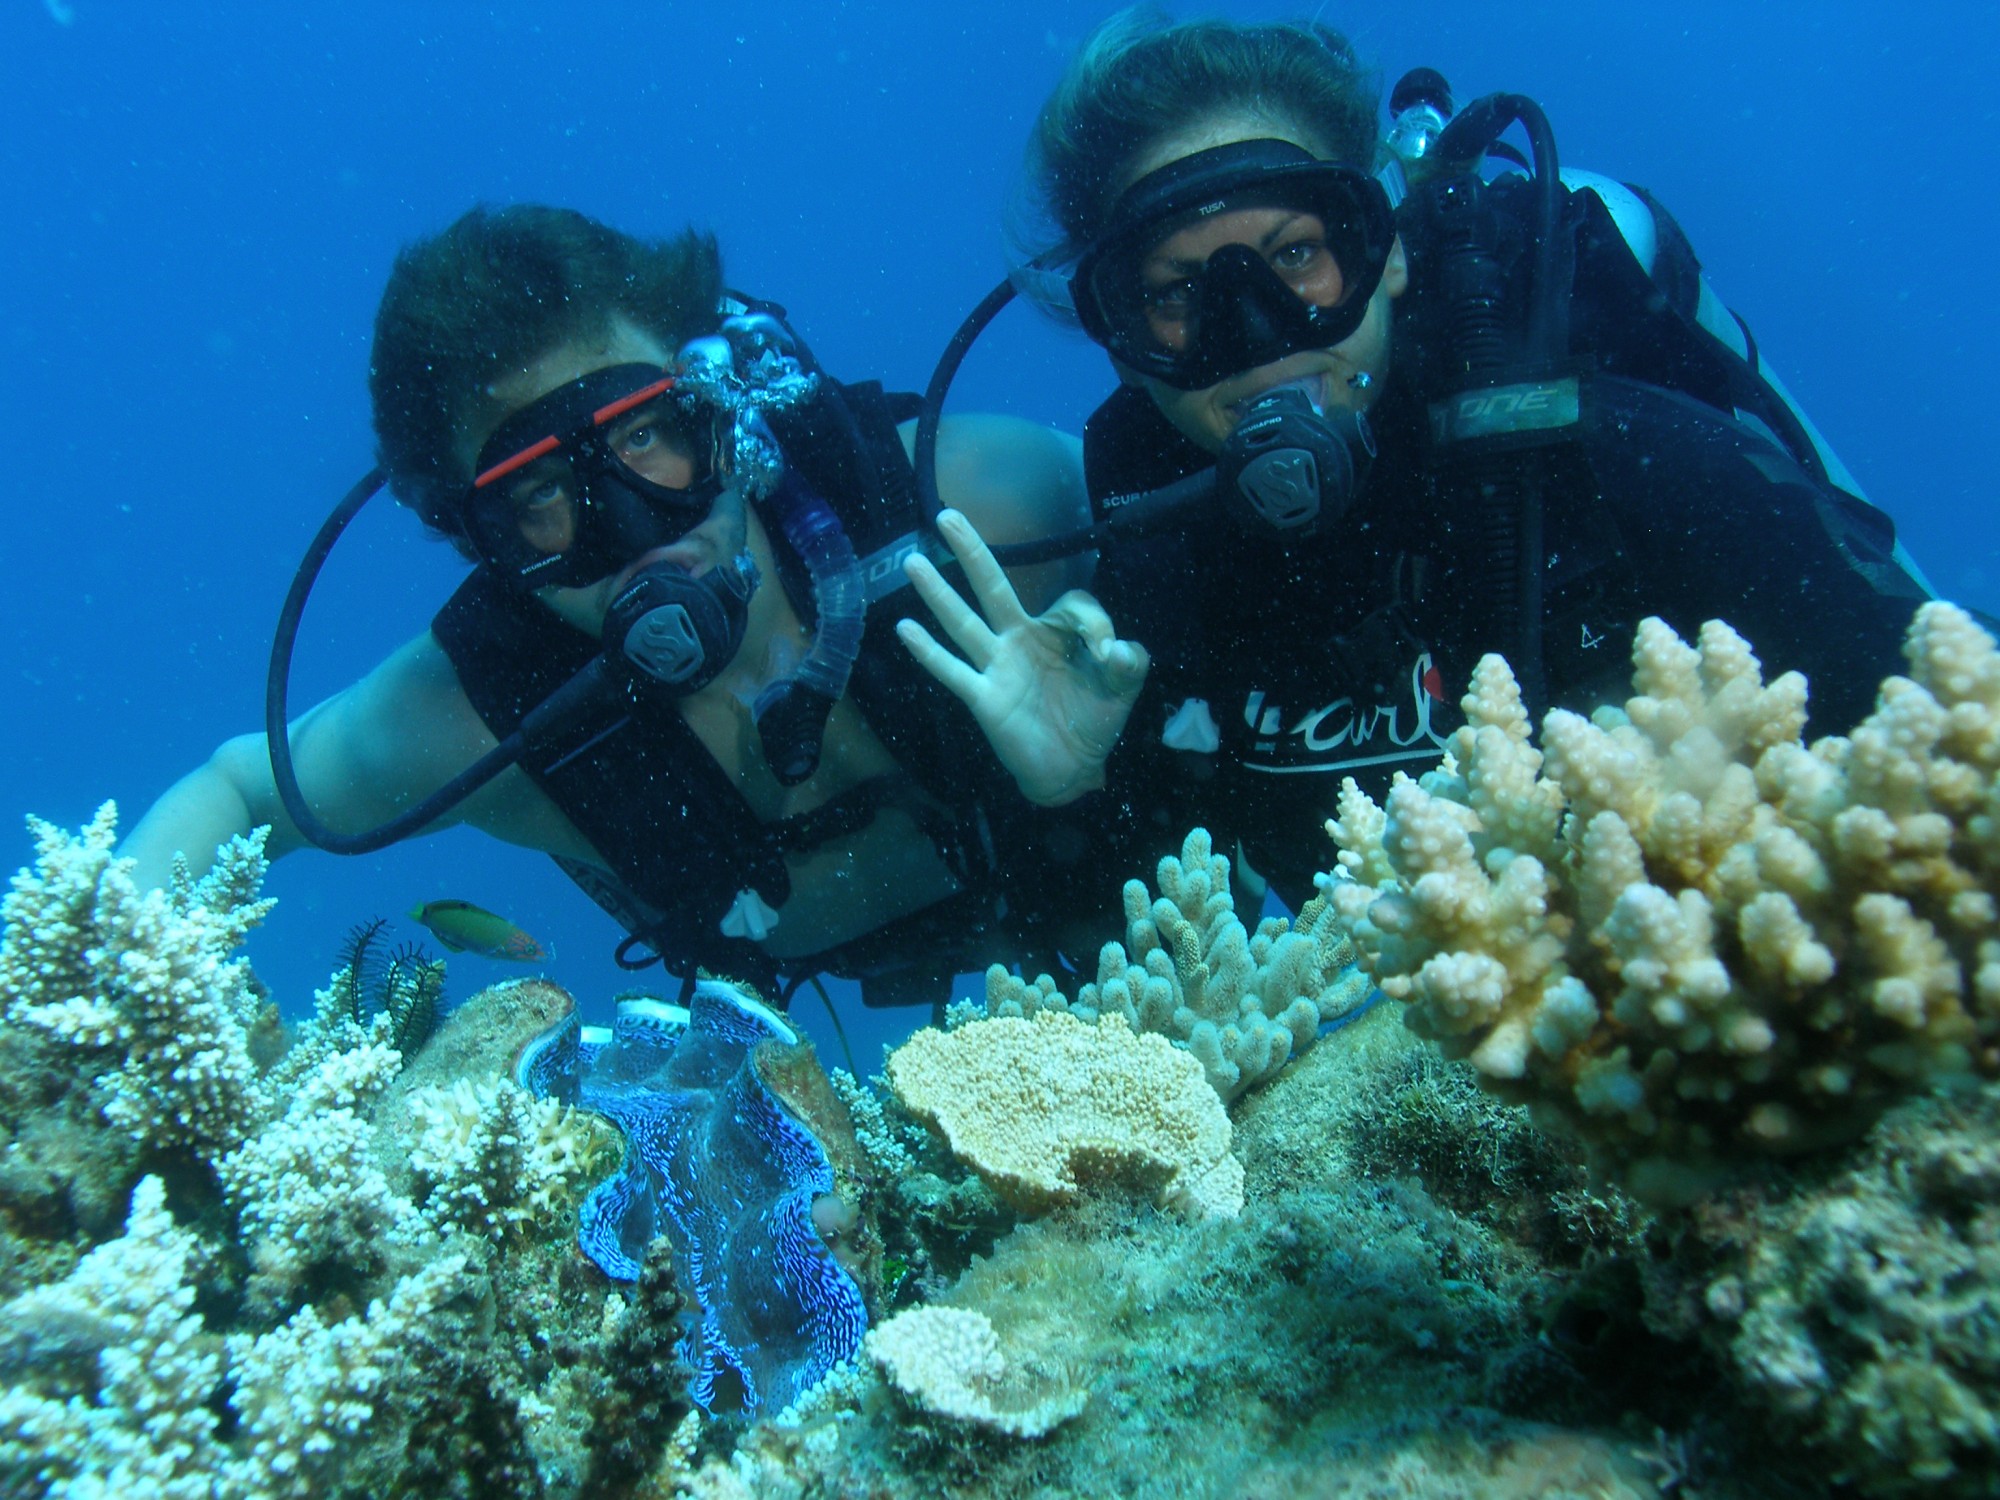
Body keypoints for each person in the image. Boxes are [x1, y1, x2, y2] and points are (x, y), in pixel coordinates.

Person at [911, 10, 1939, 923]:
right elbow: (1167, 990)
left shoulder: (1607, 456)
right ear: (1121, 338)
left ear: (1385, 252)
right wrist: (1069, 792)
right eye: (1180, 295)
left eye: (1296, 256)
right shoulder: (1159, 570)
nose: (1258, 336)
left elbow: (1934, 757)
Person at [122, 204, 1148, 1008]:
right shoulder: (483, 713)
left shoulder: (969, 506)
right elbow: (243, 793)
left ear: (724, 410)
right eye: (539, 497)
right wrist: (110, 985)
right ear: (479, 546)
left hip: (1122, 940)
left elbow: (1201, 516)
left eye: (649, 436)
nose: (633, 526)